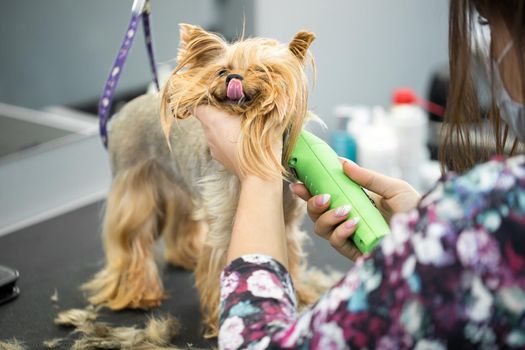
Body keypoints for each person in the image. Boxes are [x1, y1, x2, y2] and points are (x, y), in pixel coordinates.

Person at [195, 1, 525, 348]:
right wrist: (419, 239)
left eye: (487, 22)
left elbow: (255, 342)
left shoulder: (492, 211)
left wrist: (256, 169)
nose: (487, 50)